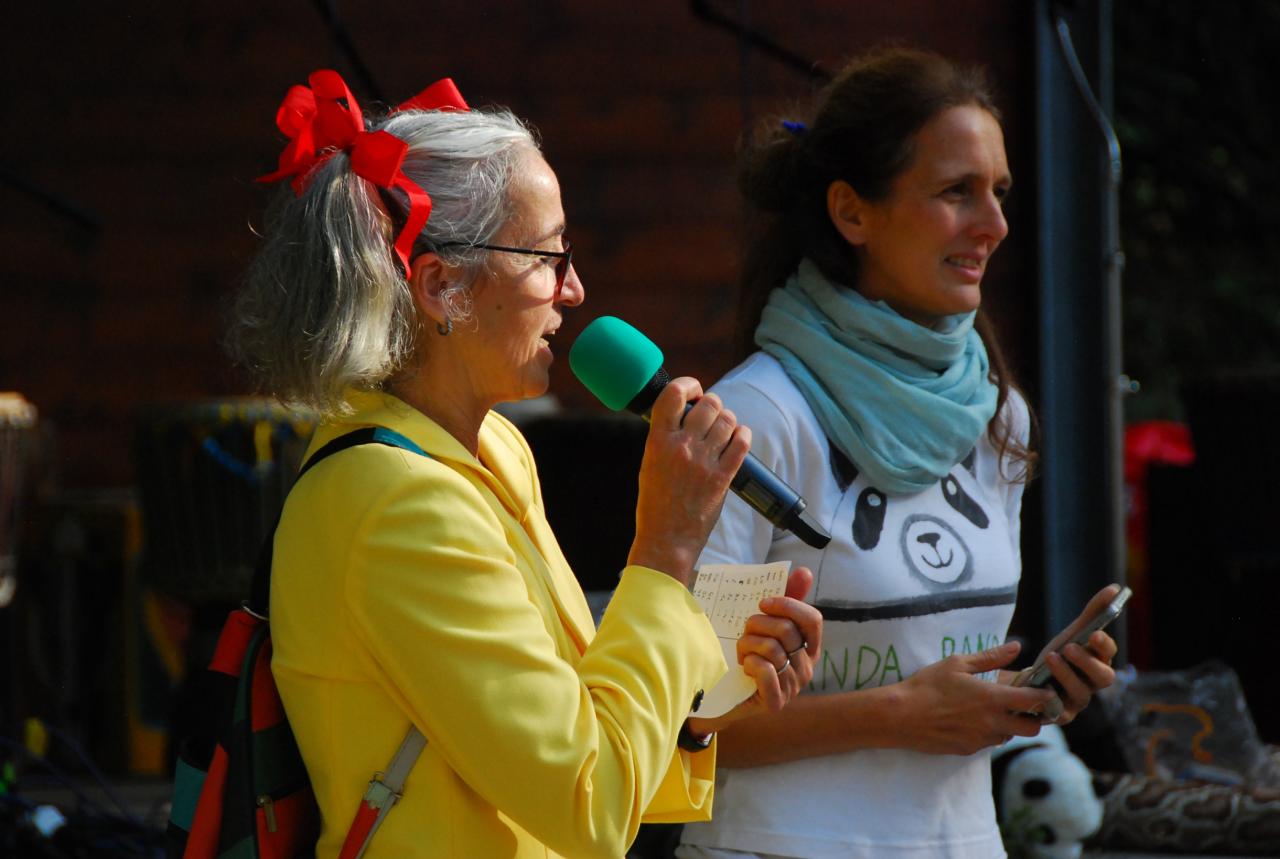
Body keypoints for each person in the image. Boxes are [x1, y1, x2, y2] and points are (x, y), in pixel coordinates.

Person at [227, 70, 822, 859]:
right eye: (548, 255)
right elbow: (587, 800)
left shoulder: (494, 446)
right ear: (441, 286)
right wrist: (666, 548)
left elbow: (574, 720)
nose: (574, 289)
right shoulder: (393, 501)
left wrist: (699, 703)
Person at [676, 47, 1119, 859]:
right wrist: (900, 715)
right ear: (852, 212)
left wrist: (1025, 695)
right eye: (957, 192)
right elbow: (690, 718)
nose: (995, 224)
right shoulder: (756, 418)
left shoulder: (1000, 413)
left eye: (1000, 192)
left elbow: (938, 680)